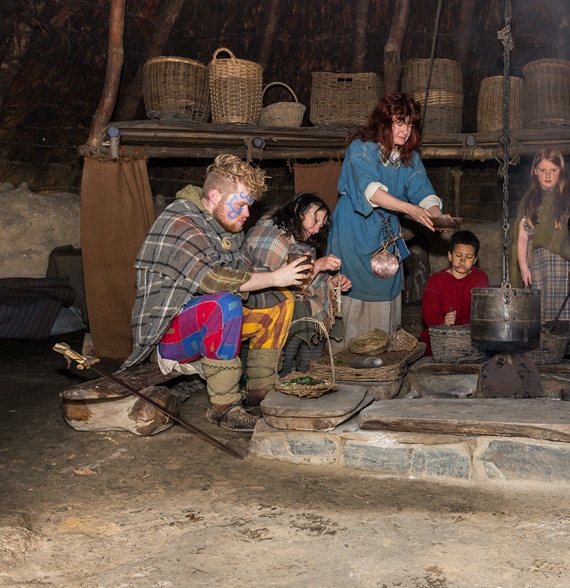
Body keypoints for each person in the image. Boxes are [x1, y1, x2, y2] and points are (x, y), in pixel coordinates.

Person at [122, 154, 311, 432]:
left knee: (282, 300)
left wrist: (283, 277)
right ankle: (223, 407)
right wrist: (272, 277)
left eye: (250, 206)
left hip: (208, 324)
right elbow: (211, 279)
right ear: (214, 195)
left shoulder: (226, 229)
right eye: (243, 204)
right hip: (167, 336)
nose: (247, 213)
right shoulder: (180, 221)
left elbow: (250, 269)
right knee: (225, 302)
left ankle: (260, 392)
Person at [327, 93, 449, 346]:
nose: (405, 130)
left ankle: (381, 357)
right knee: (351, 288)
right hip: (354, 230)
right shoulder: (361, 148)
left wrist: (436, 216)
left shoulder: (409, 158)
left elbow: (424, 192)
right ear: (384, 122)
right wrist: (410, 210)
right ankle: (347, 358)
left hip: (385, 232)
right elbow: (371, 190)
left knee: (386, 289)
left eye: (410, 124)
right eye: (399, 122)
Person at [512, 147, 570, 389]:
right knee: (539, 318)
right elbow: (522, 237)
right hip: (540, 267)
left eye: (552, 170)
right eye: (542, 170)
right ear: (535, 172)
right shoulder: (529, 201)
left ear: (560, 171)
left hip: (567, 266)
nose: (547, 175)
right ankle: (541, 366)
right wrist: (524, 267)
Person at [245, 193, 352, 376]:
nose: (317, 229)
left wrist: (332, 282)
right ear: (298, 210)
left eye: (322, 226)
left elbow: (307, 282)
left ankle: (308, 373)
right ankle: (285, 374)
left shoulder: (300, 242)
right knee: (300, 308)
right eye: (315, 220)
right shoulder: (271, 238)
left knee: (310, 311)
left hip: (285, 299)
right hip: (261, 305)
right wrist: (318, 265)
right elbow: (268, 289)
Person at [420, 230, 490, 355]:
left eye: (468, 257)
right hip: (441, 340)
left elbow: (483, 309)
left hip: (470, 340)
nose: (463, 261)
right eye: (458, 255)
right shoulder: (436, 280)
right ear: (450, 255)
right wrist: (442, 322)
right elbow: (428, 311)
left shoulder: (479, 278)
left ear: (475, 260)